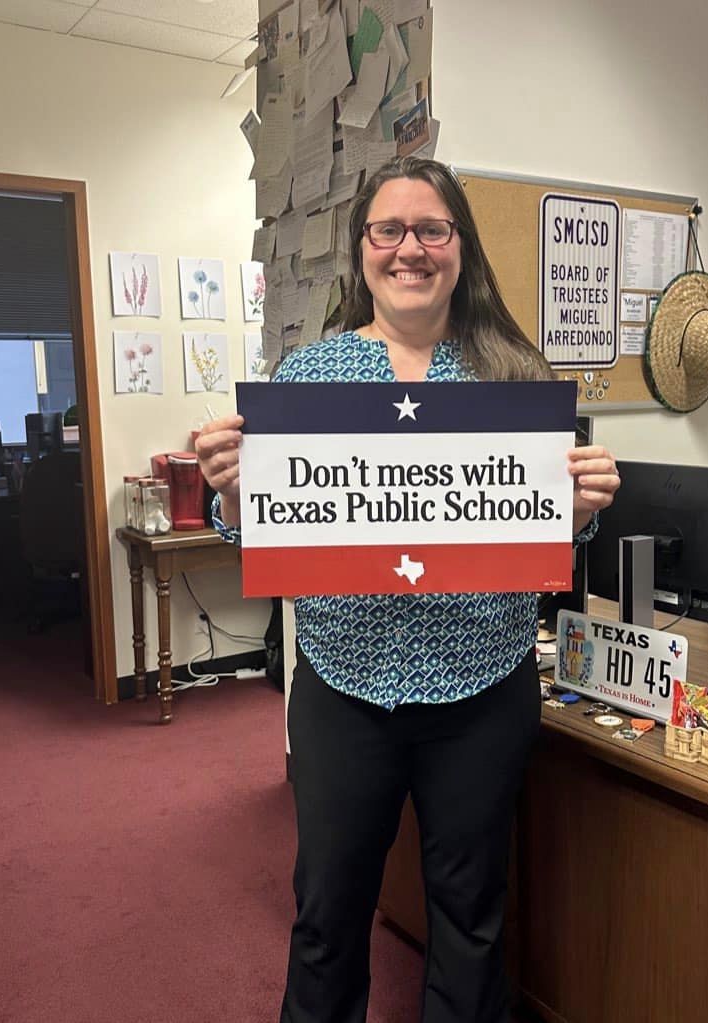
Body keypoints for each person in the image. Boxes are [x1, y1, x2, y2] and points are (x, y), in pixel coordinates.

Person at [196, 156, 620, 1023]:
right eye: (387, 230)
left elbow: (552, 540)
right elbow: (255, 531)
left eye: (431, 229)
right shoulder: (306, 380)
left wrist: (580, 507)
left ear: (459, 247)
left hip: (481, 690)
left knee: (468, 919)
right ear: (362, 251)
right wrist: (233, 491)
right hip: (344, 687)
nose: (409, 249)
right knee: (326, 913)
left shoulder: (516, 379)